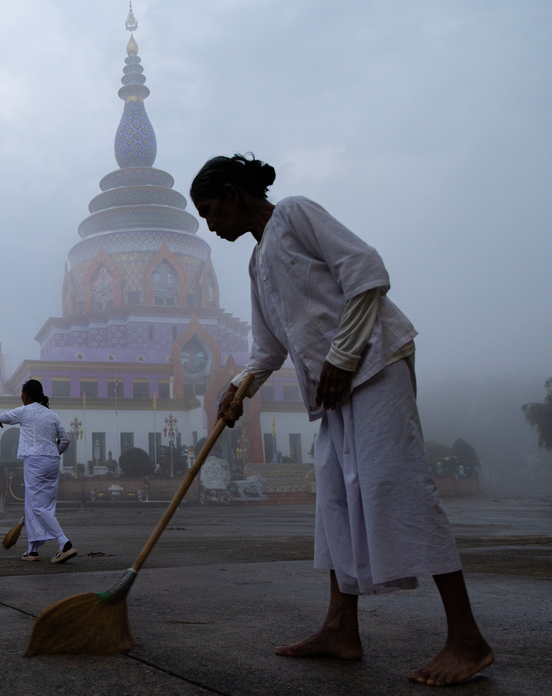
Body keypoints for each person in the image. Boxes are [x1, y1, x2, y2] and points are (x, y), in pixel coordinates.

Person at [189, 153, 493, 686]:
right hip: (334, 389)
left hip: (375, 365)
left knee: (397, 489)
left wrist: (343, 355)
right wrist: (238, 391)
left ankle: (468, 640)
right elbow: (267, 350)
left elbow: (368, 272)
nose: (211, 226)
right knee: (332, 500)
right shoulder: (258, 262)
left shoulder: (296, 215)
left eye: (212, 210)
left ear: (235, 194)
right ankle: (340, 629)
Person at [0, 379, 75, 563]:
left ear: (26, 395)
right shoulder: (52, 415)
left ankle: (64, 543)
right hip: (52, 461)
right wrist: (55, 452)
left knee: (38, 506)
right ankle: (32, 550)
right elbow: (65, 439)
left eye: (22, 394)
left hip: (34, 460)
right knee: (41, 504)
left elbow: (4, 416)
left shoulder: (25, 411)